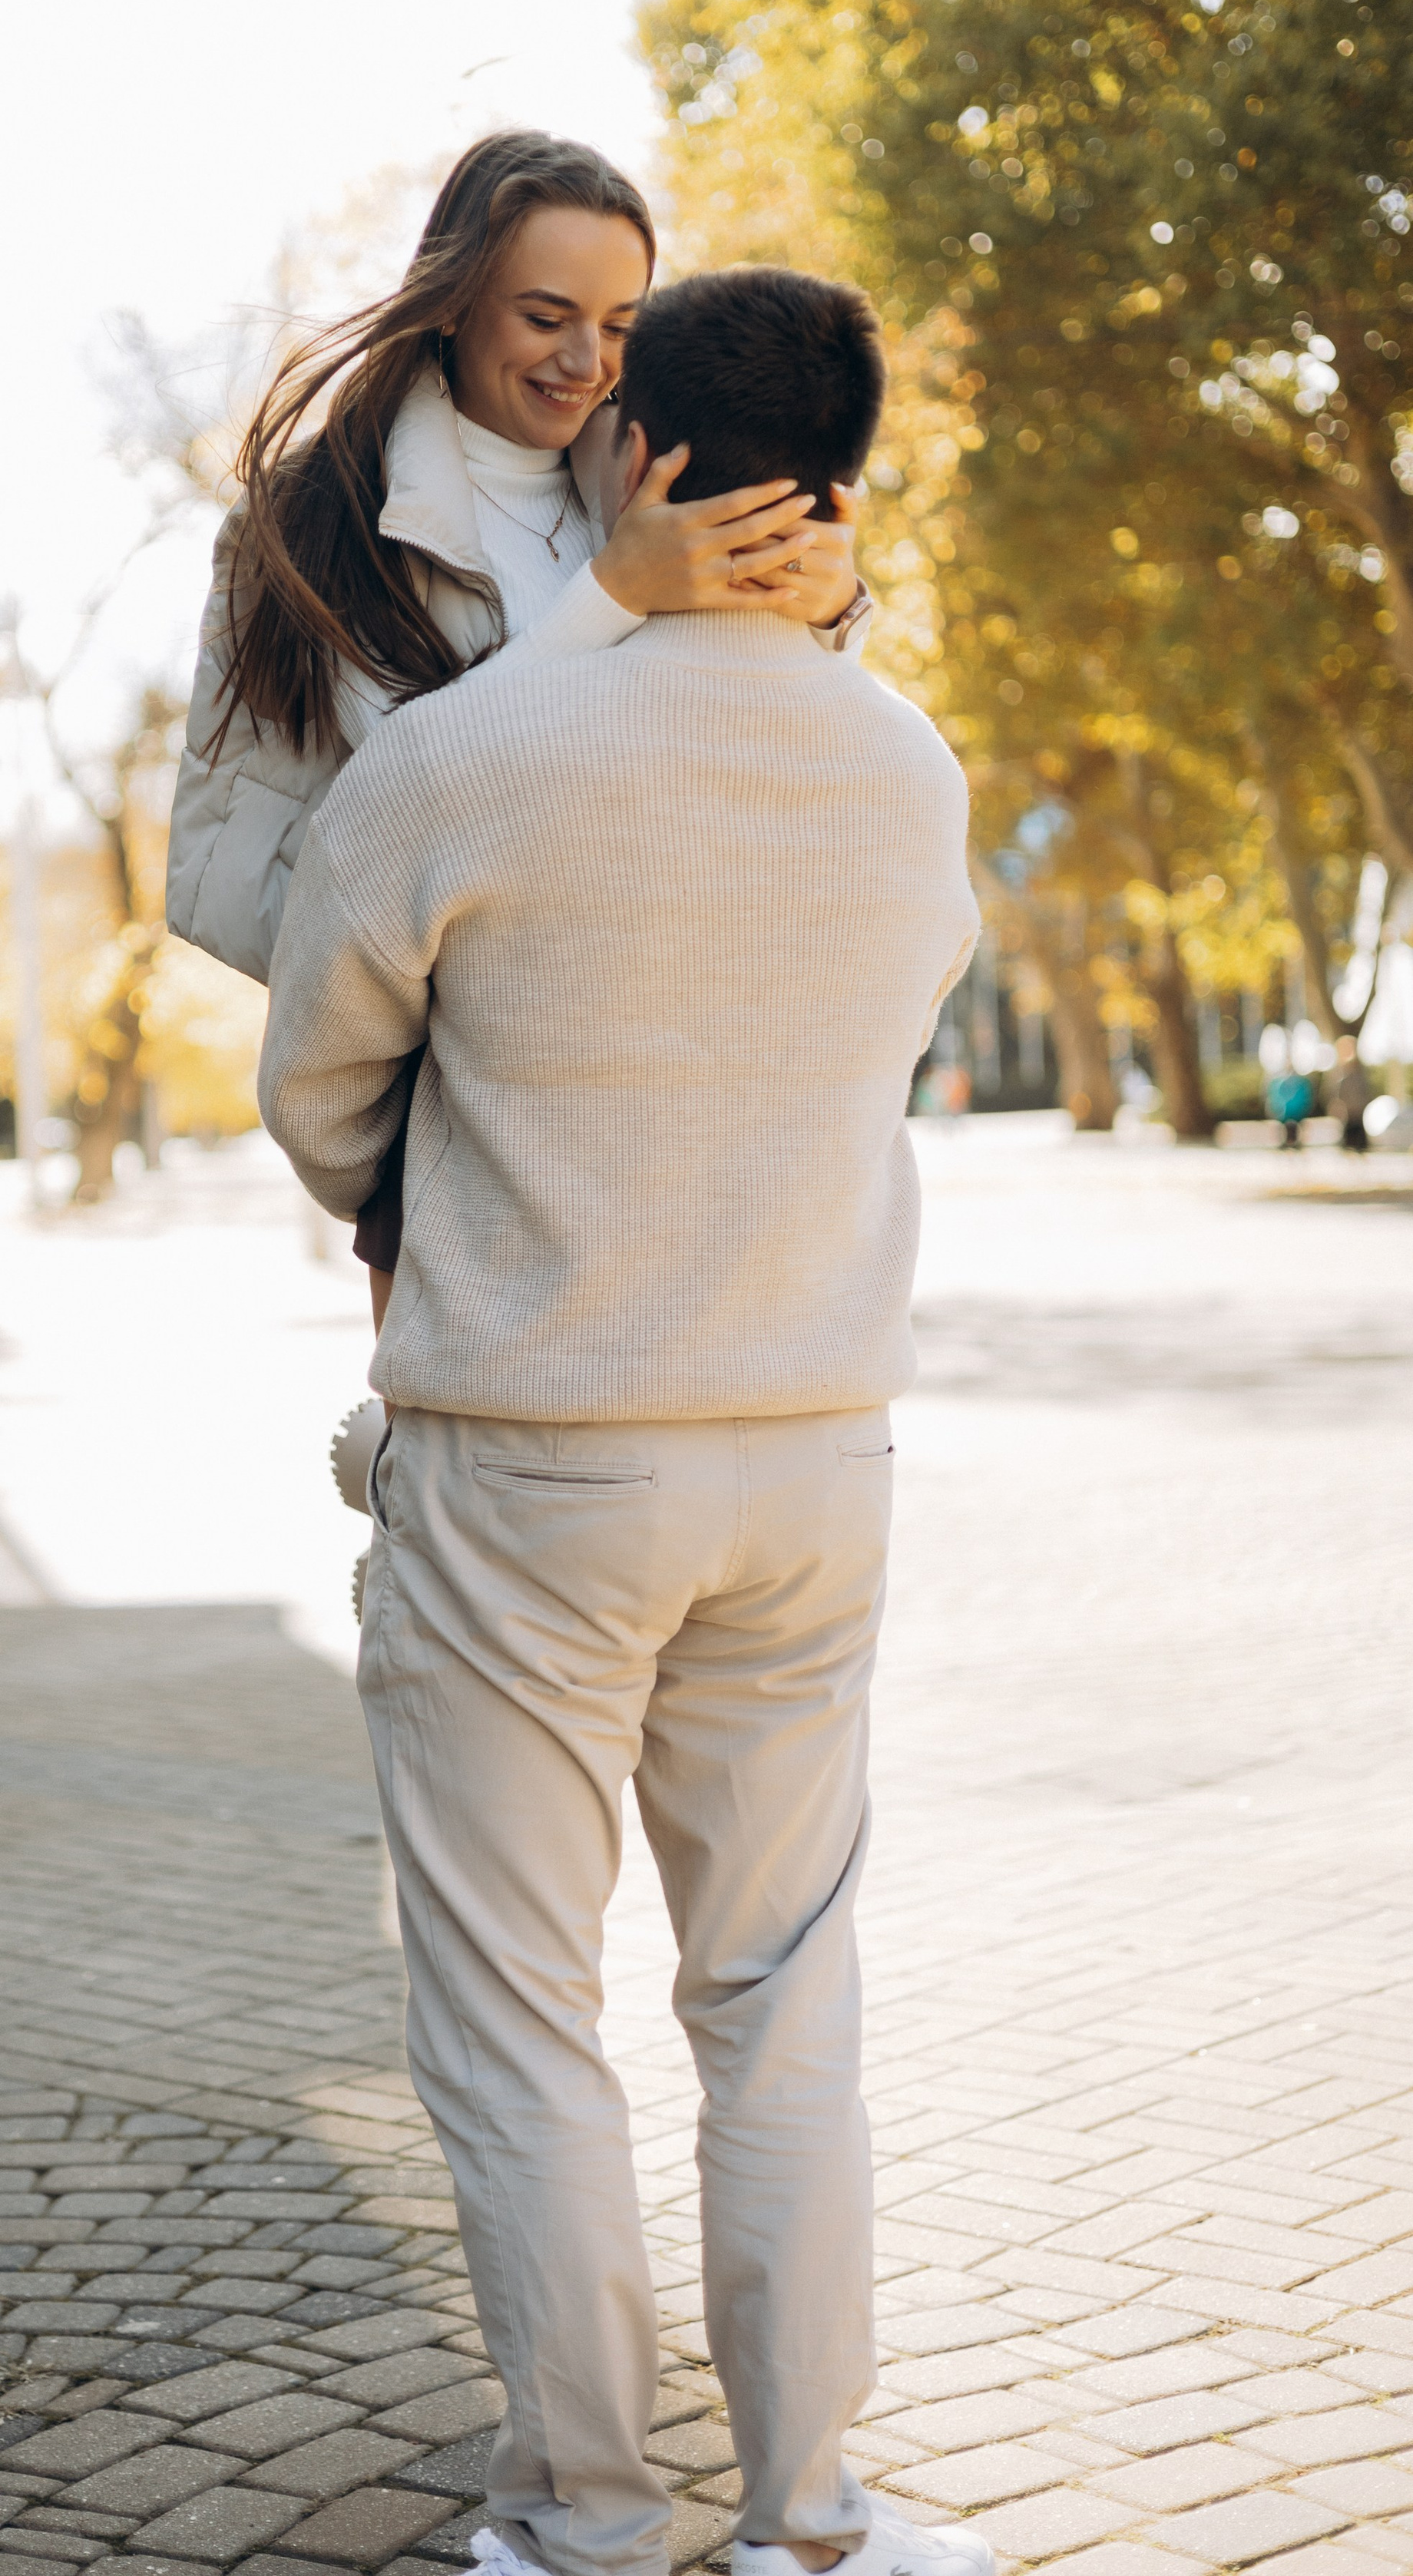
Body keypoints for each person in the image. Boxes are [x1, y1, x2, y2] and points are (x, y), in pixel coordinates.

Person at [258, 263, 984, 2576]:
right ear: (839, 486)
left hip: (528, 1457)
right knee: (783, 2011)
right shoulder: (908, 766)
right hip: (810, 1456)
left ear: (628, 457)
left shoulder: (464, 759)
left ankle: (581, 2515)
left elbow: (315, 1084)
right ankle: (806, 2512)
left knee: (514, 2014)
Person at [166, 129, 875, 1326]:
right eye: (545, 315)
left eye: (622, 324)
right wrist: (615, 599)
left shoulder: (667, 468)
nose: (587, 362)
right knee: (471, 1482)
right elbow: (408, 803)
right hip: (465, 1115)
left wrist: (833, 607)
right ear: (452, 300)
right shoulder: (321, 522)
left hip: (678, 1066)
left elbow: (758, 719)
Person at [1325, 1035, 1373, 1153]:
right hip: (1347, 1111)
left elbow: (1365, 1090)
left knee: (1360, 1136)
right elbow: (1336, 1093)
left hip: (1359, 1109)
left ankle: (1360, 1149)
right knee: (1348, 1136)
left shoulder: (1360, 1072)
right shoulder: (1339, 1073)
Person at [1268, 1062, 1314, 1150]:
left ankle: (1292, 1144)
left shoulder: (1299, 1083)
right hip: (1288, 1112)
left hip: (1294, 1112)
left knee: (1293, 1128)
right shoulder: (1281, 1082)